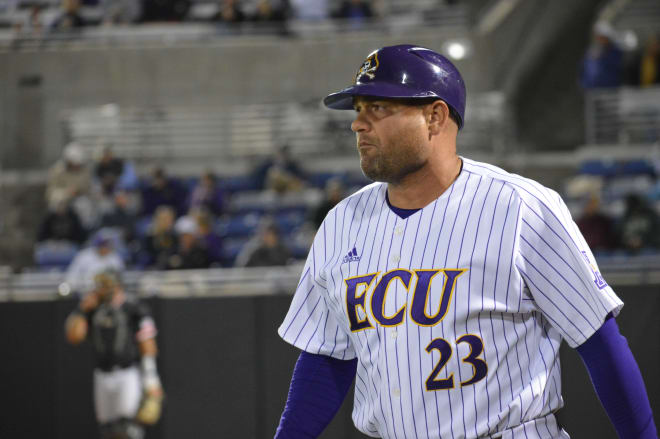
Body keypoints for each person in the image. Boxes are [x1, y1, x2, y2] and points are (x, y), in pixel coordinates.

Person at [275, 44, 656, 438]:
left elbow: (600, 345)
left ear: (435, 117)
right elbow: (326, 358)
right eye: (358, 110)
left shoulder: (521, 207)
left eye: (379, 108)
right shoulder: (340, 223)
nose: (358, 124)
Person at [65, 270, 164, 439]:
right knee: (108, 430)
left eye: (105, 285)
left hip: (127, 373)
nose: (100, 290)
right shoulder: (94, 309)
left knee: (127, 428)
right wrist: (82, 309)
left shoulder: (133, 307)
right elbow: (74, 336)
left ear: (117, 286)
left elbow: (147, 344)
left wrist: (151, 379)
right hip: (102, 374)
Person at [65, 229, 125, 295]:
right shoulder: (84, 255)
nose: (106, 247)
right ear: (98, 244)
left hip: (107, 295)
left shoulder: (115, 258)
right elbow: (71, 276)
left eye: (108, 245)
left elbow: (119, 279)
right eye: (104, 244)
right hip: (84, 293)